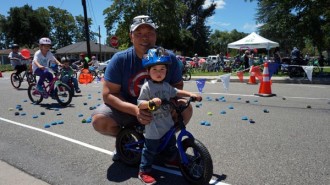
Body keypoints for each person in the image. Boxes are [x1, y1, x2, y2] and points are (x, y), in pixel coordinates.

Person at [91, 15, 190, 161]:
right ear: (131, 37)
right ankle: (125, 141)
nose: (145, 38)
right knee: (99, 120)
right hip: (128, 110)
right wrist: (136, 110)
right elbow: (109, 94)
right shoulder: (120, 59)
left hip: (160, 109)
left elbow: (177, 86)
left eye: (150, 33)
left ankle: (162, 141)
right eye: (139, 34)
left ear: (155, 35)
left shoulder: (169, 58)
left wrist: (171, 105)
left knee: (186, 108)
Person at [137, 47, 202, 185]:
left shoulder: (166, 86)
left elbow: (177, 92)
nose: (159, 72)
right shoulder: (147, 87)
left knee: (171, 144)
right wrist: (150, 103)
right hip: (153, 125)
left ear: (167, 71)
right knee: (150, 150)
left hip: (166, 123)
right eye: (154, 69)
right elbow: (139, 103)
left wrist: (191, 94)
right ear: (148, 71)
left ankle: (170, 159)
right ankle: (144, 171)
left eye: (162, 69)